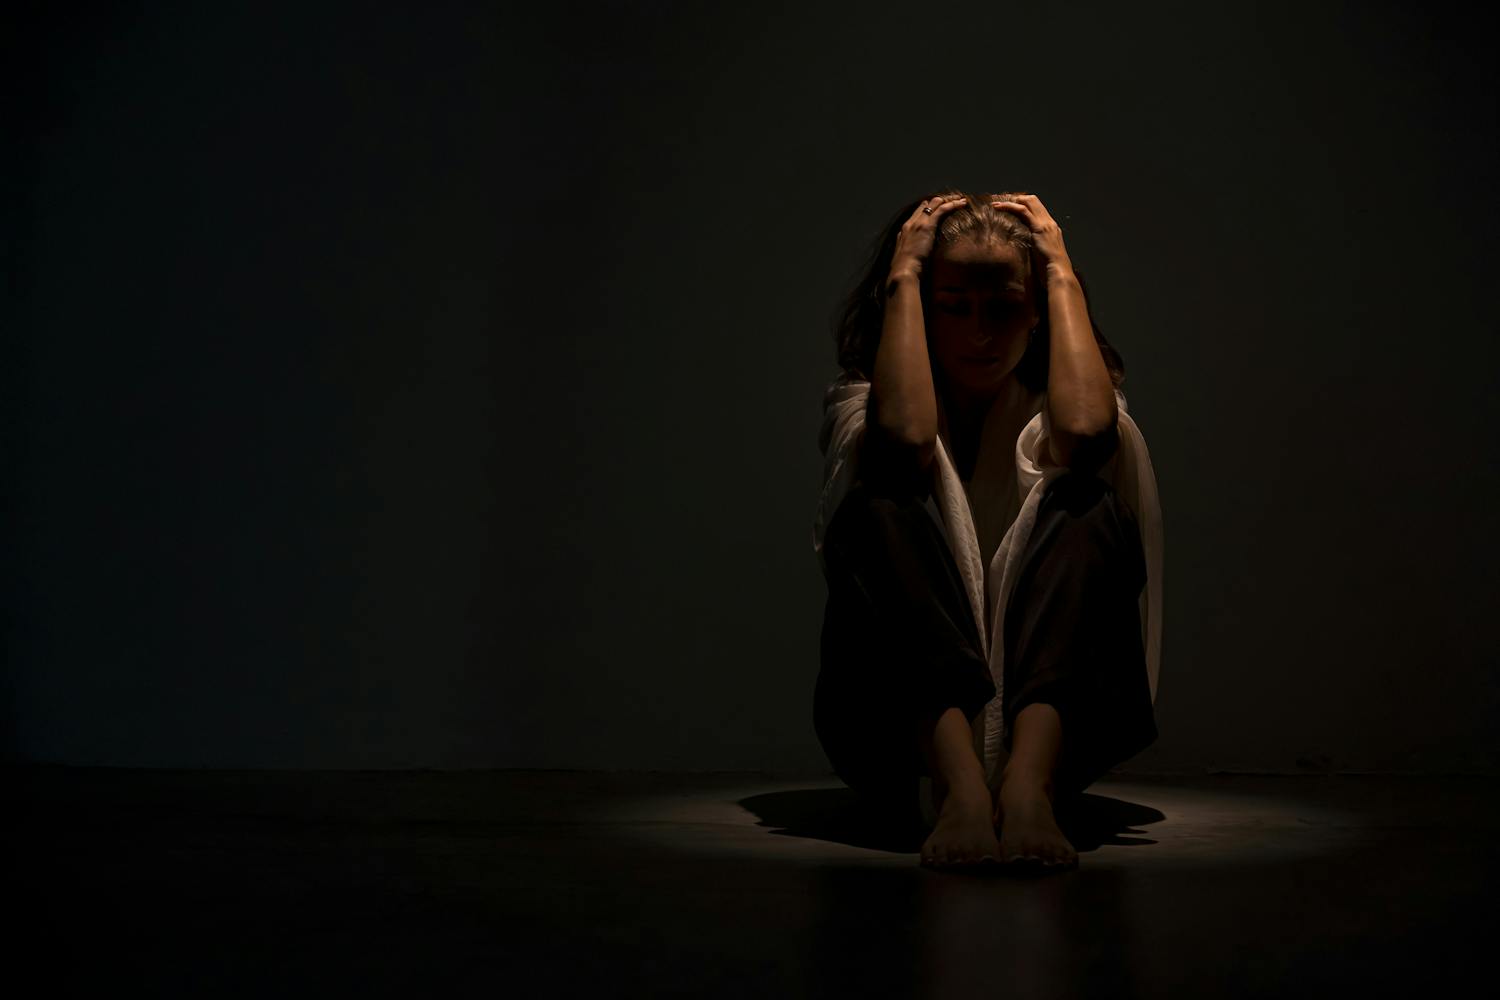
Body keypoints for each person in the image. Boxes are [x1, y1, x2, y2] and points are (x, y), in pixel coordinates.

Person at [811, 189, 1165, 874]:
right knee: (880, 504)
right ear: (920, 307)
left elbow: (1087, 435)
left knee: (1086, 505)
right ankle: (959, 789)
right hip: (895, 745)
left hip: (1068, 737)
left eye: (1004, 307)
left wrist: (1059, 269)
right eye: (953, 306)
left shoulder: (1070, 397)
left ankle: (1030, 785)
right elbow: (905, 443)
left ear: (1036, 311)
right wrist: (903, 275)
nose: (980, 333)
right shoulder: (863, 404)